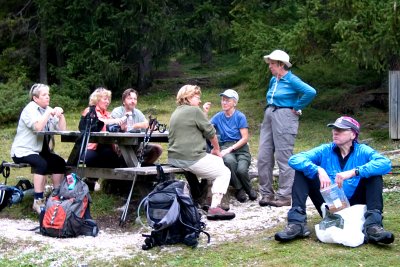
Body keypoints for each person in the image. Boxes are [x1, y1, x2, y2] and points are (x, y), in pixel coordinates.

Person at [275, 116, 395, 245]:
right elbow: (295, 159)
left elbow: (385, 163)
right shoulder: (325, 150)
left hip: (356, 205)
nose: (335, 132)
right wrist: (318, 170)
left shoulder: (363, 151)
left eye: (341, 130)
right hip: (331, 204)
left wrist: (354, 172)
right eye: (334, 129)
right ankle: (296, 224)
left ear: (353, 134)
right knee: (302, 172)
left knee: (374, 174)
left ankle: (372, 226)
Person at [258, 49, 317, 207]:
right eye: (269, 63)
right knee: (263, 155)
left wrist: (297, 106)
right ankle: (266, 194)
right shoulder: (274, 80)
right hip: (270, 113)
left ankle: (284, 195)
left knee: (283, 156)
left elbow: (310, 92)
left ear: (281, 64)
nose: (269, 66)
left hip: (285, 116)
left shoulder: (292, 79)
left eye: (272, 64)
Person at [168, 84, 235, 220]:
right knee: (224, 172)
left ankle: (206, 198)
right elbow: (211, 133)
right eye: (197, 97)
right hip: (190, 158)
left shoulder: (176, 112)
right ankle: (215, 207)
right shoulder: (195, 111)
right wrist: (216, 149)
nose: (199, 101)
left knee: (216, 162)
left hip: (174, 158)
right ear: (188, 97)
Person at [11, 83, 67, 213]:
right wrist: (48, 113)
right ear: (35, 98)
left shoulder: (47, 109)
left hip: (40, 151)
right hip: (23, 150)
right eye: (44, 95)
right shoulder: (29, 110)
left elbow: (62, 130)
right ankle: (38, 200)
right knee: (41, 163)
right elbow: (38, 127)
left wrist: (61, 114)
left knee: (59, 162)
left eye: (48, 94)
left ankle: (56, 196)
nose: (48, 97)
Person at [203, 89, 257, 202]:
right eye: (223, 100)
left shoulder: (240, 116)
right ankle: (239, 189)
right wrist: (205, 112)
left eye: (227, 100)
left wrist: (230, 149)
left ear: (234, 103)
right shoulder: (218, 116)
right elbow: (205, 127)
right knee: (229, 162)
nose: (224, 103)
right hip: (225, 145)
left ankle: (249, 189)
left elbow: (245, 138)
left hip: (240, 148)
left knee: (241, 170)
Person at [81, 87, 126, 190]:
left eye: (108, 99)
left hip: (105, 149)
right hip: (90, 149)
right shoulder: (89, 111)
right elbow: (99, 123)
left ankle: (109, 184)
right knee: (112, 157)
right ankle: (93, 181)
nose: (107, 102)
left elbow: (114, 126)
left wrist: (121, 126)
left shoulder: (108, 114)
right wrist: (115, 122)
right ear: (97, 99)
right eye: (105, 99)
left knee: (117, 158)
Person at [110, 88, 162, 165]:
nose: (133, 101)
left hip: (137, 144)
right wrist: (137, 126)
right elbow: (121, 127)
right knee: (127, 148)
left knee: (157, 149)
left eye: (135, 99)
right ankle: (134, 172)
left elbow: (147, 125)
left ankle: (142, 171)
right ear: (124, 101)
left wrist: (150, 127)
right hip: (120, 144)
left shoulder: (138, 112)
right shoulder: (117, 111)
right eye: (130, 98)